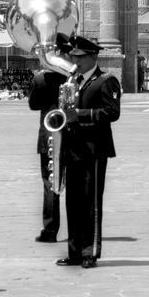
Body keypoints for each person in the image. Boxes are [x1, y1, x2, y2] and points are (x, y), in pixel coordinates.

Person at [56, 35, 121, 270]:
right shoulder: (72, 79)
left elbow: (112, 113)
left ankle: (89, 251)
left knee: (90, 201)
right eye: (73, 56)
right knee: (72, 201)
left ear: (93, 57)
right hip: (73, 147)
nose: (74, 60)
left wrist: (80, 115)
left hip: (94, 148)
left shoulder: (106, 80)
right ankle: (73, 251)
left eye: (79, 57)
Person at [27, 35, 70, 243]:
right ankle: (77, 229)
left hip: (48, 134)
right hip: (71, 133)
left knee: (50, 183)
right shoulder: (74, 76)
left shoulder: (40, 79)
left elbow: (33, 105)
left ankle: (50, 229)